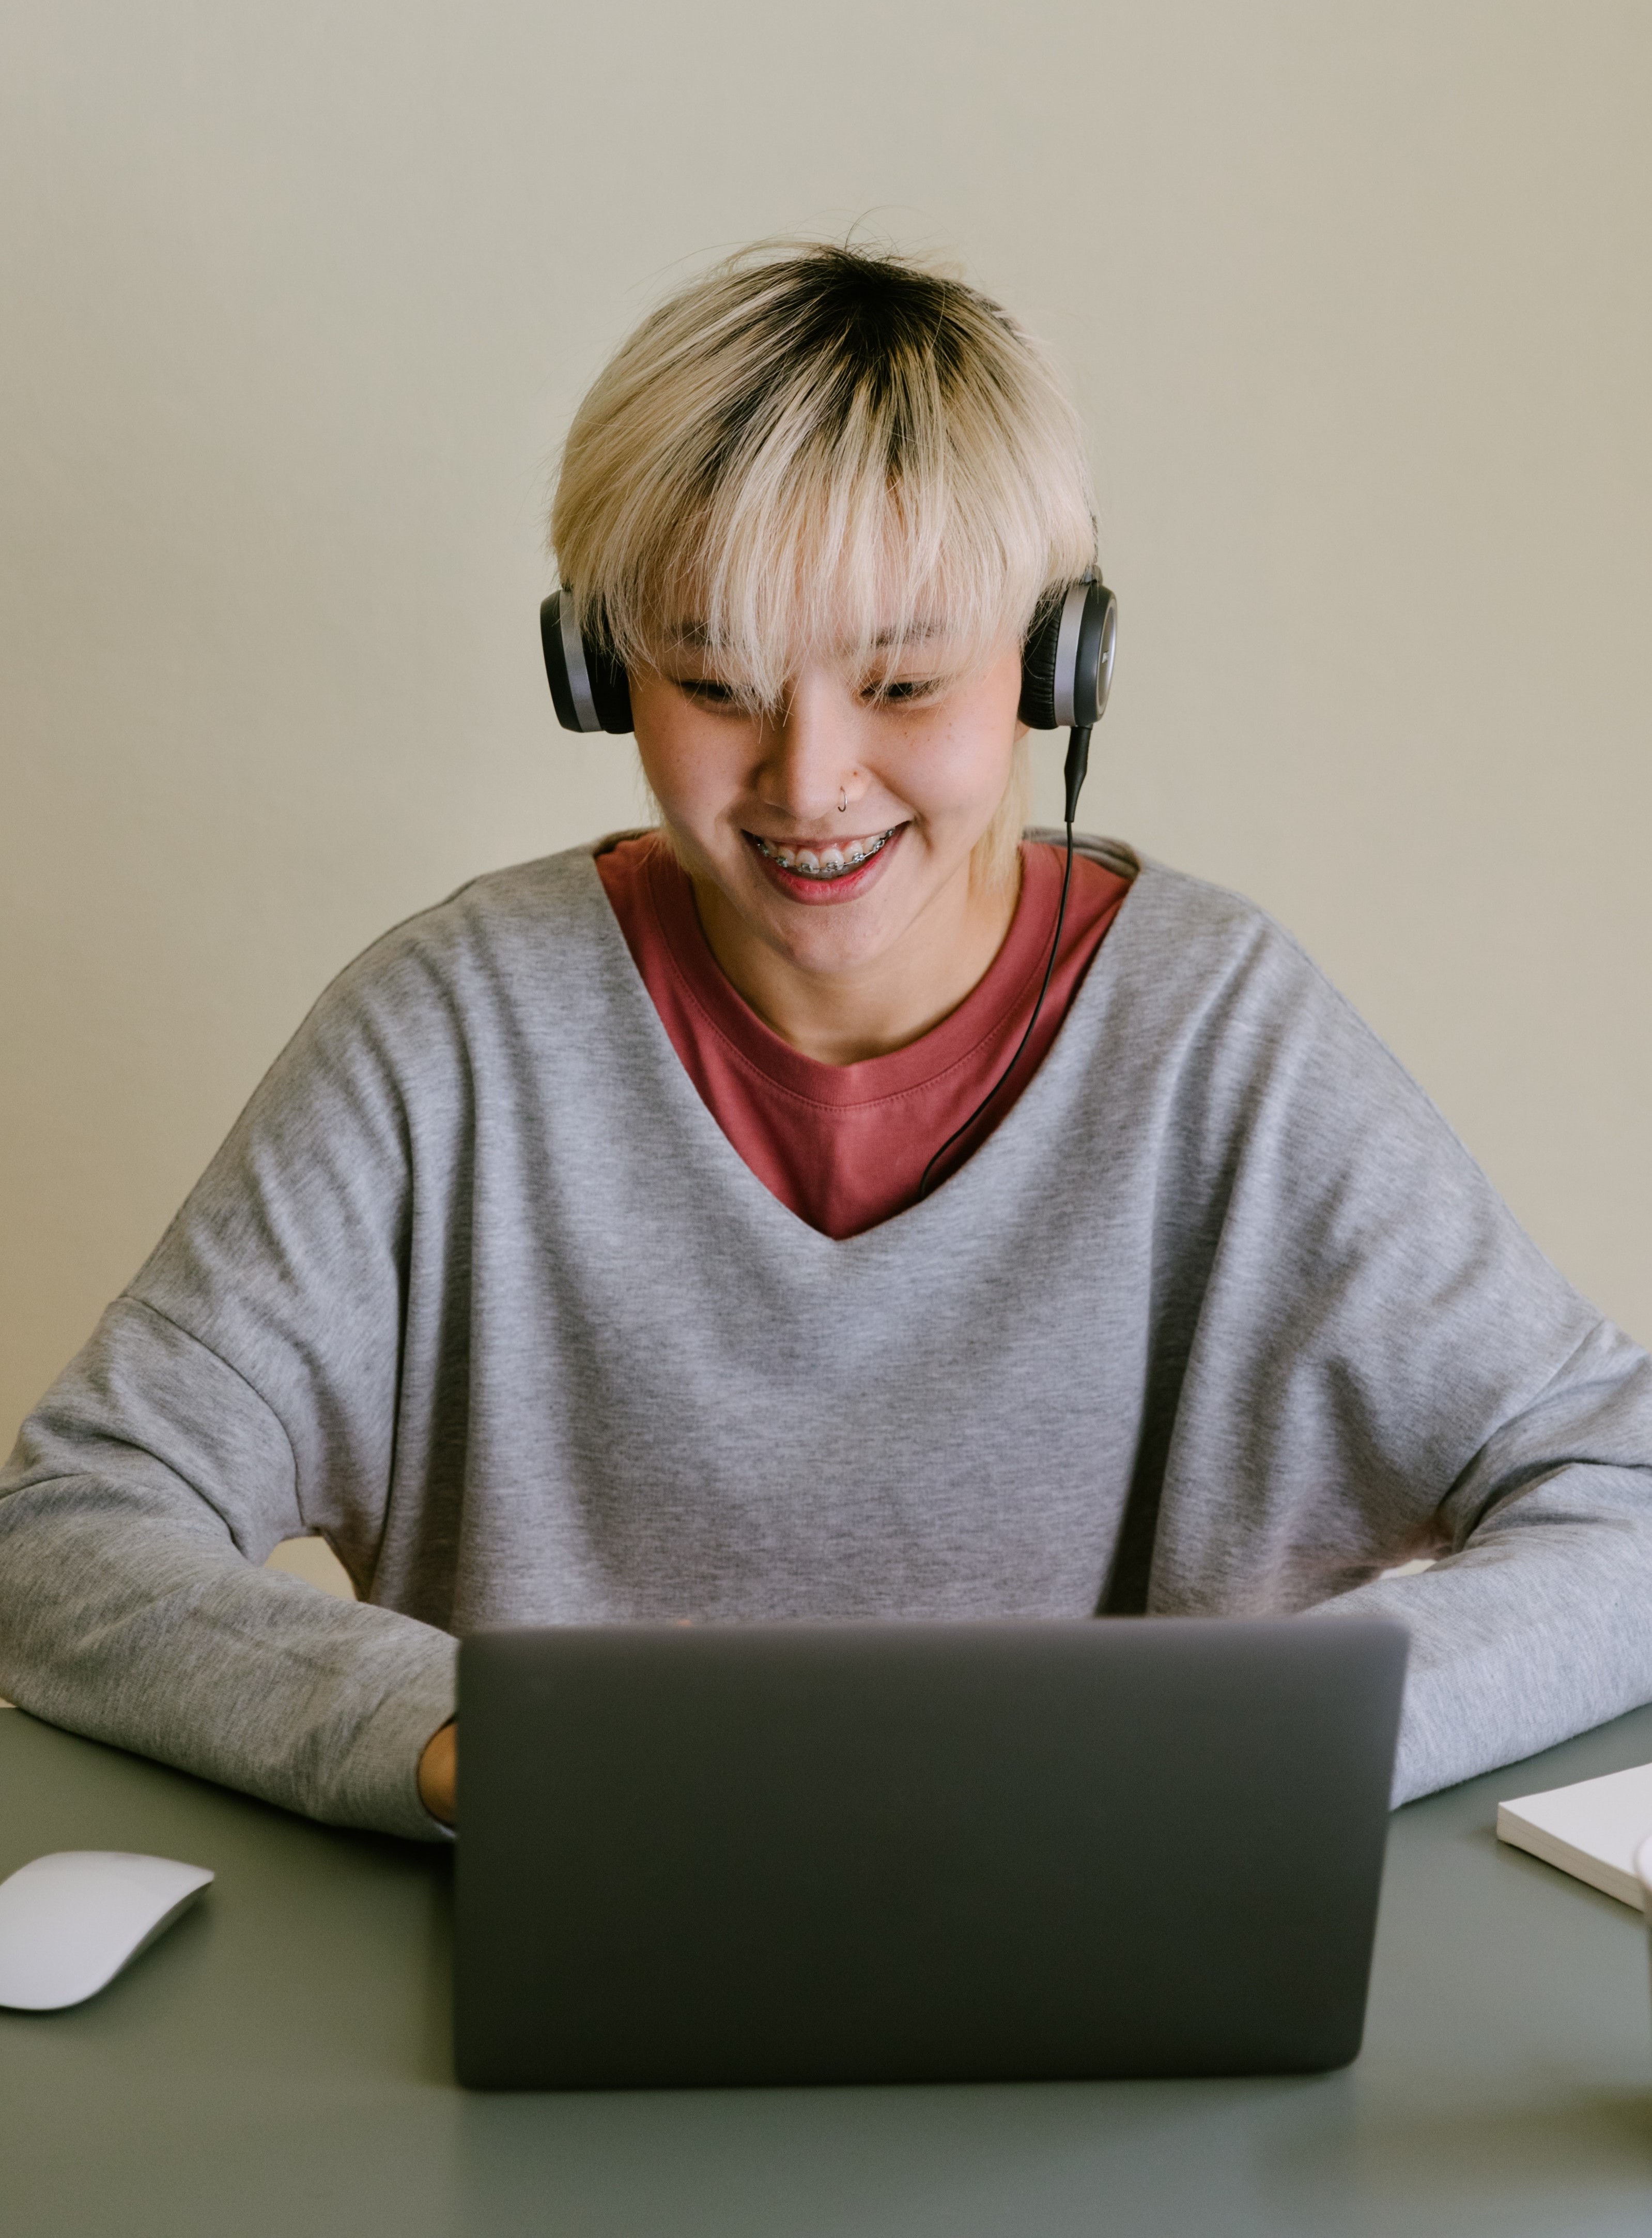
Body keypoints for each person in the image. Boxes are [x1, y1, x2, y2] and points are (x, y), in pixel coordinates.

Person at [2, 241, 1649, 1840]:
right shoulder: (450, 1034)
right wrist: (454, 1742)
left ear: (1054, 666)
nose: (809, 784)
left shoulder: (1224, 1039)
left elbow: (1627, 1501)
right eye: (716, 686)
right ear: (602, 673)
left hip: (1116, 1969)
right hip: (573, 1950)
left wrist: (1266, 1749)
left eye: (906, 686)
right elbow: (66, 1532)